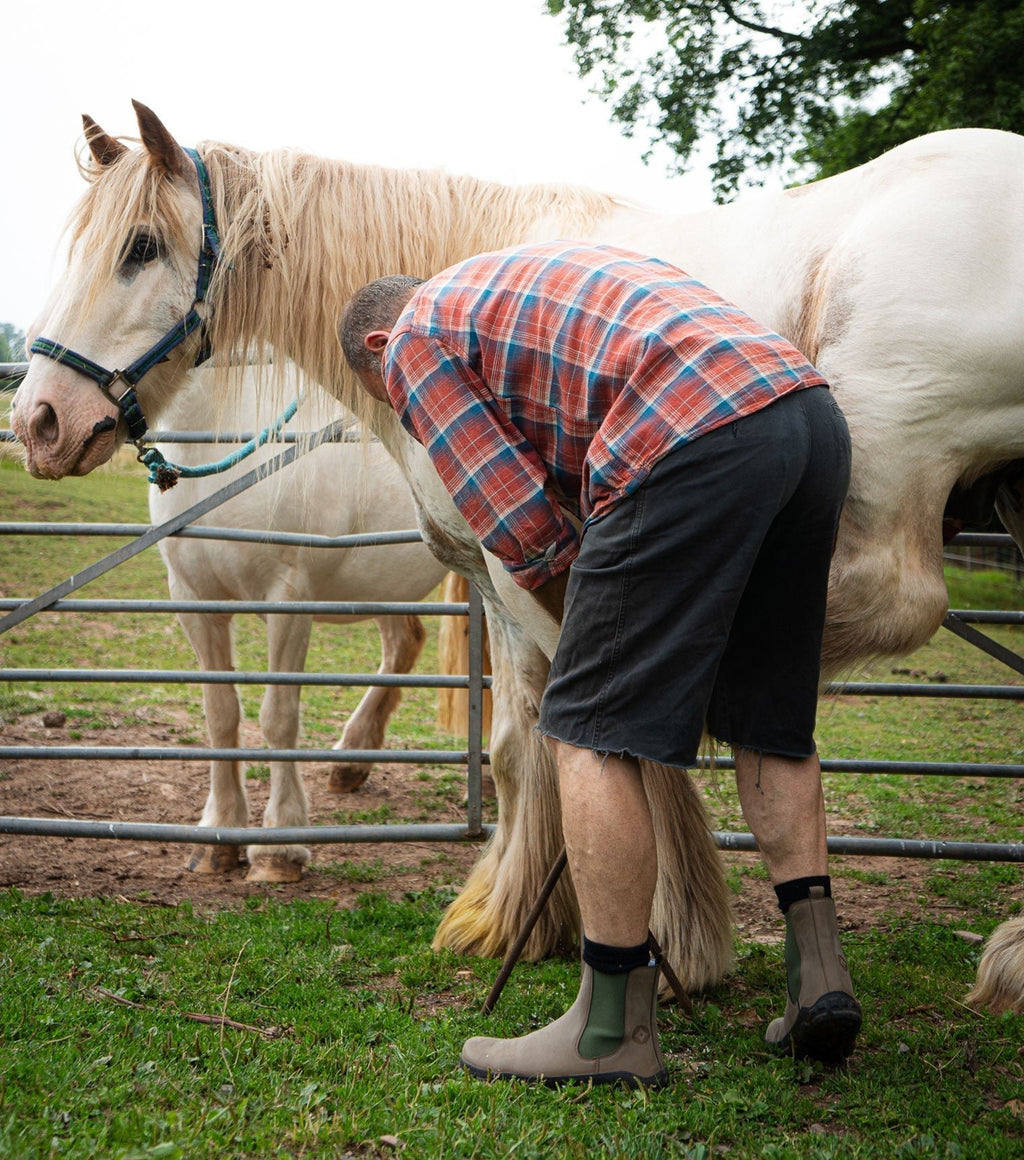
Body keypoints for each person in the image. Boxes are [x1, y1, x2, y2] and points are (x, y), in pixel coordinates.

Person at [339, 241, 859, 1088]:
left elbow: (525, 529)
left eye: (393, 405)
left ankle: (611, 1030)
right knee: (768, 715)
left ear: (376, 348)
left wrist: (599, 671)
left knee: (585, 729)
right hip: (803, 414)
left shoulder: (414, 339)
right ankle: (819, 980)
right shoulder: (522, 281)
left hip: (691, 430)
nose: (408, 411)